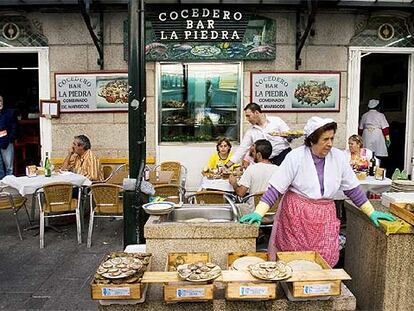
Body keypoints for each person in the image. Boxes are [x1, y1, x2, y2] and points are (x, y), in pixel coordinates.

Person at [240, 116, 395, 267]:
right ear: (312, 140)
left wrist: (371, 212)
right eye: (325, 139)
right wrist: (258, 213)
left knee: (324, 259)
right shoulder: (296, 157)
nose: (329, 144)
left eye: (332, 139)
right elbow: (275, 189)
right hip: (297, 216)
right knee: (294, 259)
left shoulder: (339, 158)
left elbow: (353, 189)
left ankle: (320, 289)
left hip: (324, 216)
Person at [224, 103, 291, 168]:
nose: (247, 119)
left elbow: (289, 136)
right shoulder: (250, 132)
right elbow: (241, 149)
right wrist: (226, 166)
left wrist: (290, 137)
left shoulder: (276, 121)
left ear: (256, 113)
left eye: (248, 116)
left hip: (284, 157)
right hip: (267, 162)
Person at [358, 99, 390, 164]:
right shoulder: (380, 115)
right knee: (378, 153)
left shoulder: (364, 115)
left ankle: (367, 167)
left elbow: (360, 129)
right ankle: (377, 167)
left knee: (366, 153)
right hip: (377, 134)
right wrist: (388, 139)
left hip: (366, 135)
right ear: (378, 107)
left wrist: (359, 139)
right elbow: (385, 129)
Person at [0, 95, 17, 179]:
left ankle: (9, 186)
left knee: (9, 168)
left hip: (6, 142)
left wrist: (10, 139)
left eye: (0, 101)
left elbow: (14, 127)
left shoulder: (10, 113)